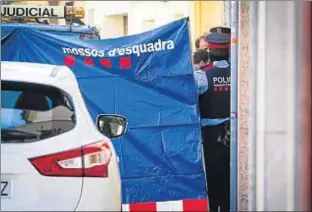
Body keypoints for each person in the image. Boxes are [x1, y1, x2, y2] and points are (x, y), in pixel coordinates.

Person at [199, 31, 231, 212]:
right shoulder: (239, 72)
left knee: (212, 174)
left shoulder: (203, 75)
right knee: (229, 174)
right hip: (233, 132)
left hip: (212, 134)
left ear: (209, 51)